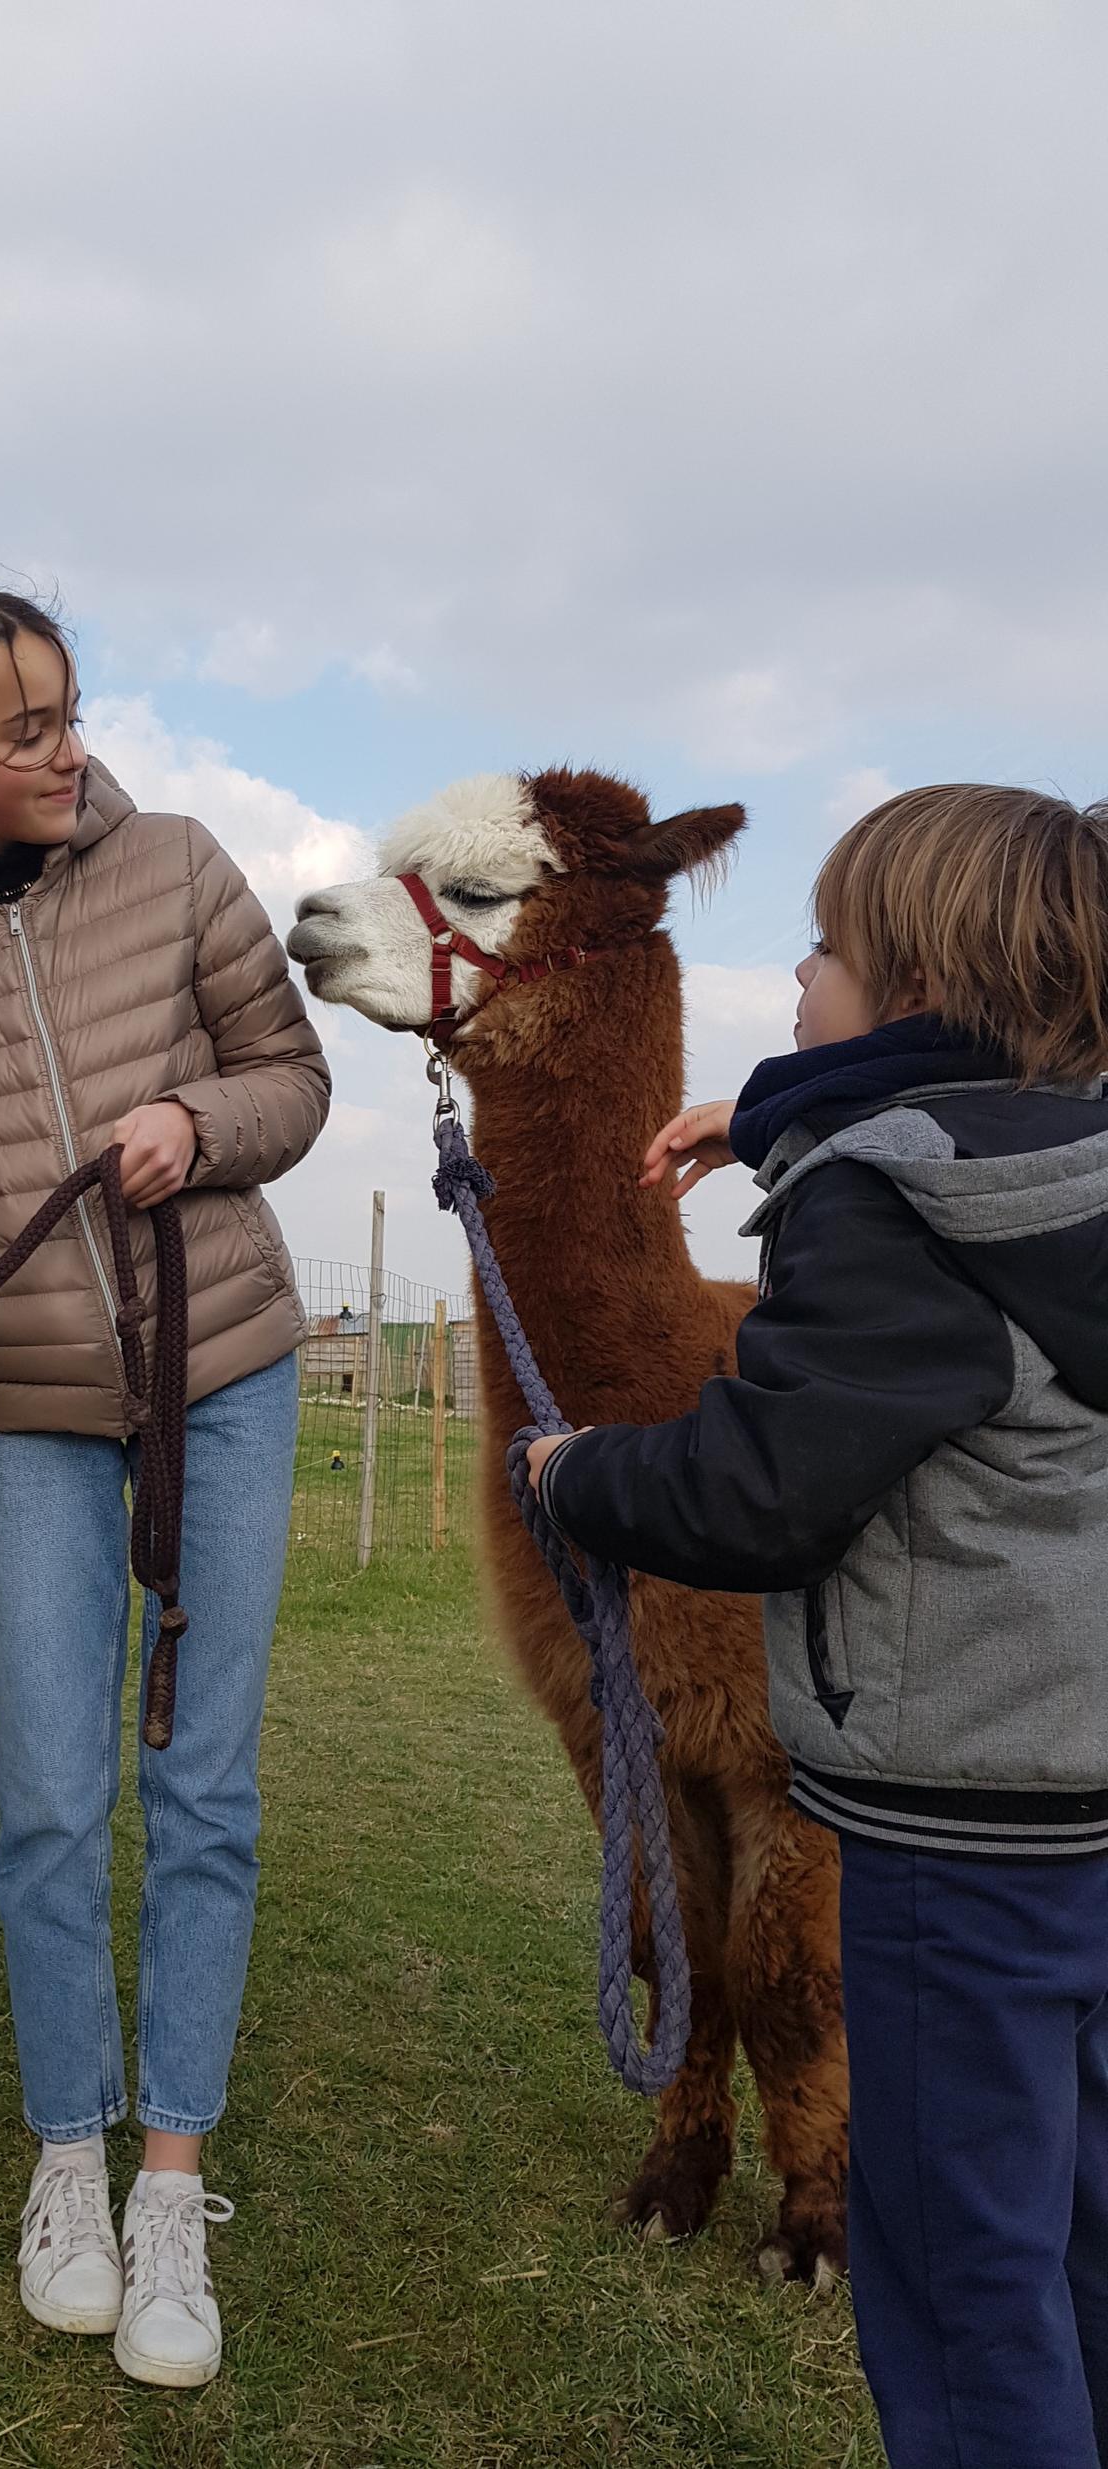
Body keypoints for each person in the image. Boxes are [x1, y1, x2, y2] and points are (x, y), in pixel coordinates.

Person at [526, 785, 1108, 2468]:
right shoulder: (1060, 1182)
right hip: (1083, 1809)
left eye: (830, 945)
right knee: (1075, 2235)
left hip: (950, 1829)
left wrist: (581, 1475)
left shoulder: (887, 1213)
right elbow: (944, 1144)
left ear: (916, 981)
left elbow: (759, 1489)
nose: (795, 965)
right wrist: (785, 1120)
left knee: (956, 2281)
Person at [0, 582, 330, 2390]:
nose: (64, 751)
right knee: (46, 1798)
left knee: (206, 1788)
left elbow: (293, 1076)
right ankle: (67, 2163)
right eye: (19, 729)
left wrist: (201, 1125)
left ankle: (172, 2173)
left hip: (228, 1377)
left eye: (70, 712)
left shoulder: (177, 865)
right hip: (17, 1410)